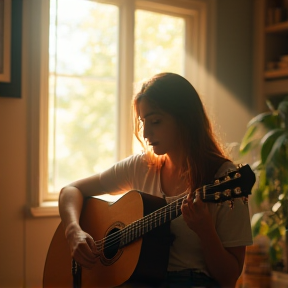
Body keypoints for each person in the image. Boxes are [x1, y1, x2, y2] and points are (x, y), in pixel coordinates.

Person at [59, 72, 253, 288]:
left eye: (156, 121)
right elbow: (71, 189)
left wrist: (205, 231)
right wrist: (73, 231)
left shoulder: (224, 179)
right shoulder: (141, 166)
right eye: (143, 122)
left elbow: (229, 279)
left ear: (185, 119)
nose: (146, 133)